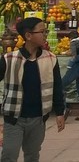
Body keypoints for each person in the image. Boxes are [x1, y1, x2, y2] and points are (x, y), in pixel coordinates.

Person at [0, 17, 65, 161]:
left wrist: (60, 112)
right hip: (14, 118)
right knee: (9, 155)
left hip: (38, 118)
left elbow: (57, 86)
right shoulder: (9, 59)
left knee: (32, 155)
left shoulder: (50, 58)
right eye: (42, 31)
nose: (45, 35)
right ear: (28, 36)